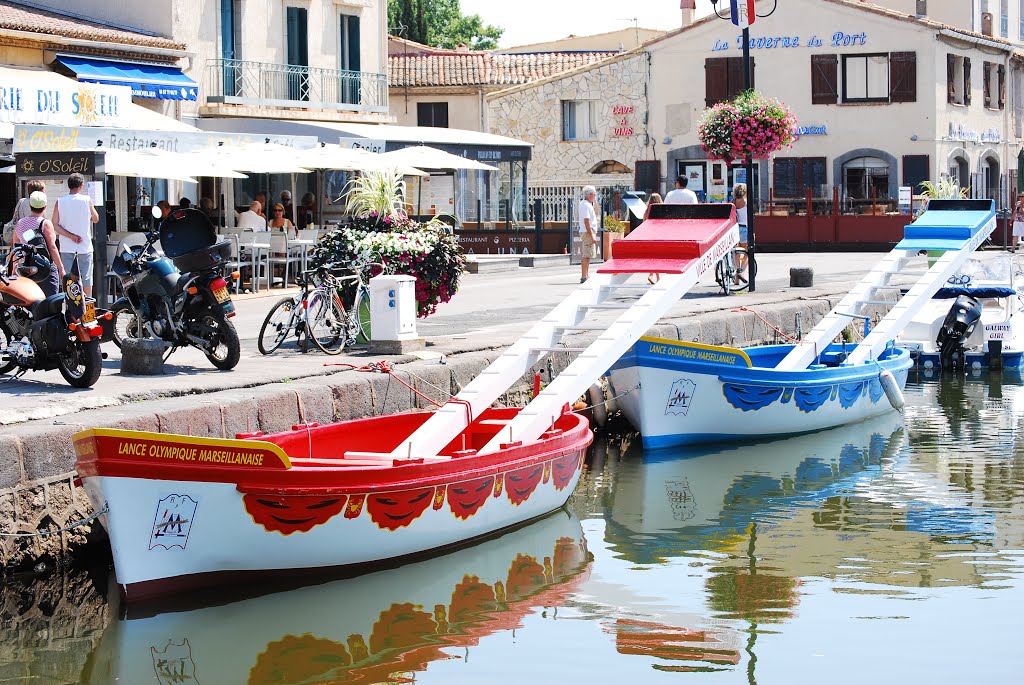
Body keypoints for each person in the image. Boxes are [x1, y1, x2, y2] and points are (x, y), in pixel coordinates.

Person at [51, 173, 98, 297]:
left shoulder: (59, 201)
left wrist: (71, 236)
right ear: (81, 185)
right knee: (87, 277)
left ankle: (70, 306)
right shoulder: (87, 200)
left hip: (66, 245)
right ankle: (88, 307)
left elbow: (55, 224)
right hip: (85, 245)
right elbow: (96, 218)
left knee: (68, 277)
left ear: (69, 186)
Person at [13, 191, 63, 297]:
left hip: (27, 268)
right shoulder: (45, 223)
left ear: (30, 206)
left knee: (31, 301)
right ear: (45, 207)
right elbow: (52, 247)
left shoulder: (20, 223)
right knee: (50, 302)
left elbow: (16, 246)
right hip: (45, 268)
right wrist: (61, 268)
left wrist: (13, 269)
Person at [578, 185, 598, 283]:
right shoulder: (586, 205)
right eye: (594, 194)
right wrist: (592, 235)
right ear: (590, 194)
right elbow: (587, 221)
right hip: (587, 232)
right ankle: (584, 276)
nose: (595, 196)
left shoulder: (586, 204)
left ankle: (586, 275)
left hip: (586, 231)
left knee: (588, 254)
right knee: (586, 254)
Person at [644, 192, 663, 285]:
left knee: (653, 256)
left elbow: (644, 223)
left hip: (649, 236)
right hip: (659, 236)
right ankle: (653, 276)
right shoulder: (662, 210)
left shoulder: (647, 210)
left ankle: (655, 276)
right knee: (657, 256)